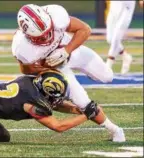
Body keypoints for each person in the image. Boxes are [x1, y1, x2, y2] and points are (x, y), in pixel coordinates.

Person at [12, 4, 125, 142]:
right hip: (57, 67)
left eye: (49, 31)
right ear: (29, 36)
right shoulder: (22, 47)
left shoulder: (56, 15)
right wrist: (47, 69)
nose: (48, 37)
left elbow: (84, 29)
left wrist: (66, 51)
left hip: (72, 50)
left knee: (108, 76)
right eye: (42, 37)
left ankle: (84, 73)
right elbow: (26, 69)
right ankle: (115, 131)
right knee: (83, 102)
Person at [105, 0, 142, 74]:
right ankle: (125, 56)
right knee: (109, 38)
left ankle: (108, 64)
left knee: (117, 32)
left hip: (127, 3)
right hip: (114, 3)